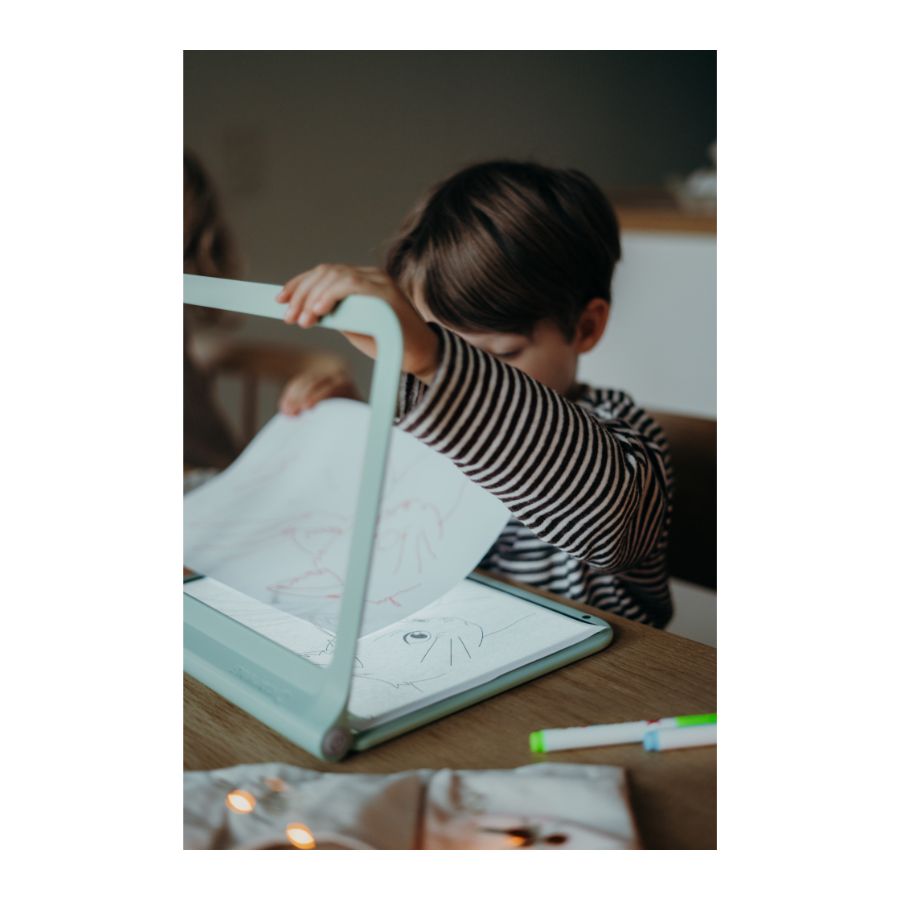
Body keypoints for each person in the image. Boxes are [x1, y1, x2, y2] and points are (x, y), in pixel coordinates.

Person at [275, 160, 673, 627]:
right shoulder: (426, 420)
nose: (455, 377)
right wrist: (350, 426)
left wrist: (436, 358)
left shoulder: (626, 443)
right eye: (442, 343)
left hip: (600, 666)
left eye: (500, 354)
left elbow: (611, 528)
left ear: (585, 327)